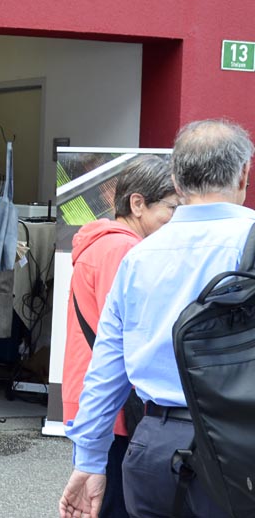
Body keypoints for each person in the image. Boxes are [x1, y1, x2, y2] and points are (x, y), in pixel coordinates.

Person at [59, 119, 255, 518]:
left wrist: (90, 461)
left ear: (178, 184)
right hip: (241, 446)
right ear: (245, 173)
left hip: (154, 446)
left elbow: (106, 369)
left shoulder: (138, 257)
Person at [61, 155, 178, 518]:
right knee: (112, 504)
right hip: (115, 406)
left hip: (97, 398)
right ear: (138, 203)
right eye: (172, 208)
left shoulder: (104, 243)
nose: (178, 220)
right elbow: (133, 333)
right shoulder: (124, 250)